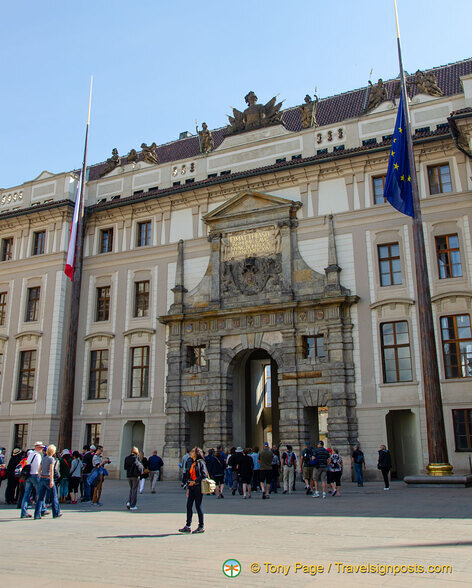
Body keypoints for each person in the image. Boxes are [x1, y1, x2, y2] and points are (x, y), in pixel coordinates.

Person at [179, 447, 207, 534]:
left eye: (192, 451)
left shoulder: (200, 462)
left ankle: (201, 526)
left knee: (198, 506)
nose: (191, 453)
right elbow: (190, 475)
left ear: (196, 453)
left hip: (198, 487)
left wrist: (195, 482)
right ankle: (188, 526)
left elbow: (204, 474)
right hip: (191, 488)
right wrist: (188, 487)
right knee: (189, 506)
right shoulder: (192, 462)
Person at [20, 442, 49, 519]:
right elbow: (38, 467)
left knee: (26, 494)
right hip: (35, 475)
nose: (42, 449)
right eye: (41, 447)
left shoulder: (31, 454)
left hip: (28, 475)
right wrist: (41, 475)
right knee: (40, 493)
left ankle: (23, 512)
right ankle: (42, 509)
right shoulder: (38, 455)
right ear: (38, 447)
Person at [36, 444, 61, 519]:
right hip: (48, 478)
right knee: (54, 496)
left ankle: (37, 514)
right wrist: (51, 480)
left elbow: (39, 469)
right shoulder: (51, 459)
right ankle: (56, 513)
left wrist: (40, 476)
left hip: (42, 478)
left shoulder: (43, 458)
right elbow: (51, 470)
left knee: (40, 497)